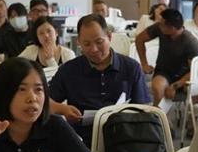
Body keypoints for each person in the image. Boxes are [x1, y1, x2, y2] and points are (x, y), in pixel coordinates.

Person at [49, 14, 150, 142]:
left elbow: (143, 110)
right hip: (80, 139)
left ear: (109, 37)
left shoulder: (131, 68)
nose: (94, 49)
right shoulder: (69, 70)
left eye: (99, 42)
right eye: (87, 44)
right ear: (79, 42)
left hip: (124, 138)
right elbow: (44, 102)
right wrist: (62, 109)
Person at [135, 8, 198, 106]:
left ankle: (189, 113)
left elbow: (195, 71)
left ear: (172, 28)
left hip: (185, 76)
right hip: (164, 71)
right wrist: (144, 64)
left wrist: (176, 85)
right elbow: (139, 39)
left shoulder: (191, 42)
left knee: (197, 91)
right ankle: (158, 113)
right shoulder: (159, 28)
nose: (159, 25)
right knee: (158, 87)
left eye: (162, 24)